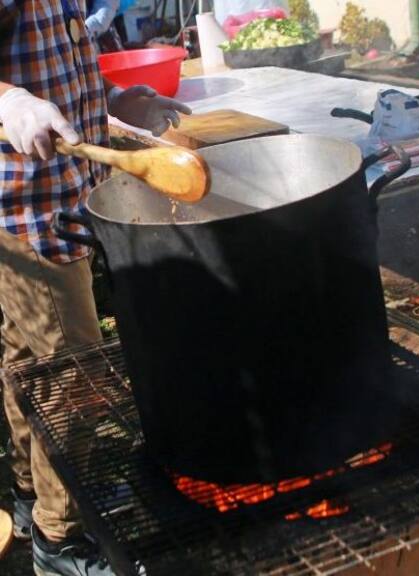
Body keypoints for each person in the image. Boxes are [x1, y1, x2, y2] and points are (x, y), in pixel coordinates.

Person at [0, 1, 191, 574]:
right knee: (74, 372)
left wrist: (113, 101)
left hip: (55, 202)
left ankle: (33, 498)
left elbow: (50, 68)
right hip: (29, 214)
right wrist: (7, 100)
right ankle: (62, 540)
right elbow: (18, 89)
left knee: (25, 362)